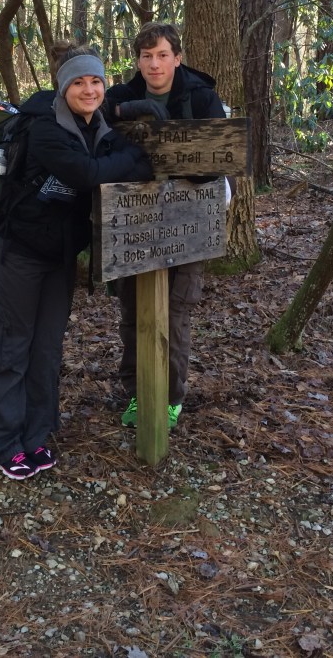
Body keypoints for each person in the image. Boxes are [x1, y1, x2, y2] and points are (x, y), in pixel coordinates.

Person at [0, 44, 153, 480]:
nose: (89, 90)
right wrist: (130, 158)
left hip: (60, 256)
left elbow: (120, 164)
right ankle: (4, 444)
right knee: (9, 345)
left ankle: (36, 436)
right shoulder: (45, 128)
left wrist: (123, 158)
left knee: (46, 348)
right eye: (78, 82)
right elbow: (87, 174)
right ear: (62, 87)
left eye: (96, 81)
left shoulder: (98, 126)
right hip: (20, 252)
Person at [105, 22, 228, 431]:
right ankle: (138, 394)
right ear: (138, 60)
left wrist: (169, 154)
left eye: (162, 55)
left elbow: (216, 162)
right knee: (132, 312)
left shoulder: (200, 96)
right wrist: (126, 112)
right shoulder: (123, 94)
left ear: (177, 58)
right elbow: (89, 116)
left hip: (187, 225)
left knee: (175, 314)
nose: (154, 64)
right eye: (146, 56)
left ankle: (170, 398)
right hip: (134, 225)